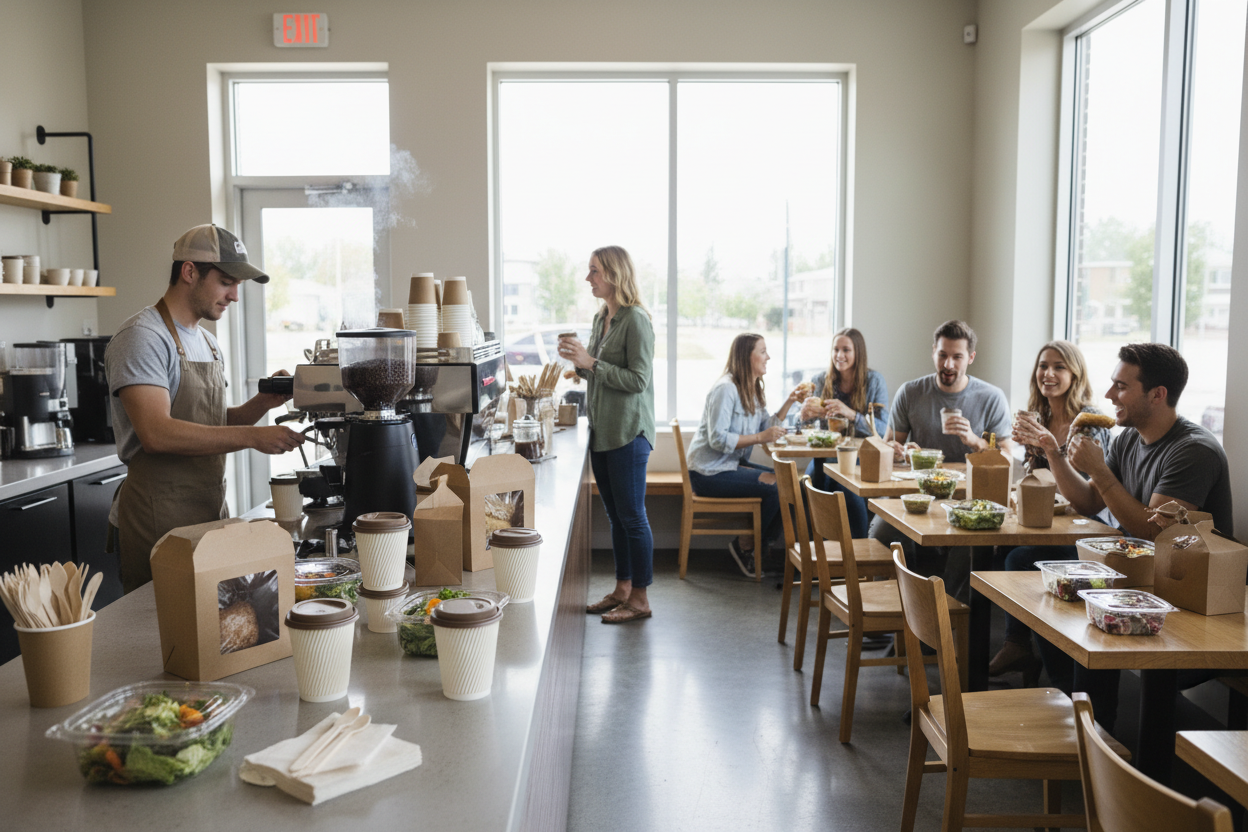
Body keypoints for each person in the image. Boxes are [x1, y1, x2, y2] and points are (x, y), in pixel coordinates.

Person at [1005, 343, 1232, 730]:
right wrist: (1053, 452)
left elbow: (1153, 530)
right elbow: (1089, 502)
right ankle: (1073, 702)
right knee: (1027, 562)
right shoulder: (1129, 437)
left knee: (1093, 619)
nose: (1108, 395)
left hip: (1184, 586)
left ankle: (1099, 735)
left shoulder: (1193, 450)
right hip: (1136, 571)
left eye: (1121, 387)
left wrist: (1101, 471)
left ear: (1157, 395)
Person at [106, 224, 306, 593]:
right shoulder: (143, 337)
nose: (234, 296)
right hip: (157, 519)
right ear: (189, 271)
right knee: (156, 635)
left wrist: (263, 403)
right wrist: (252, 437)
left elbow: (209, 423)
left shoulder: (208, 343)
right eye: (226, 281)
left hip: (208, 511)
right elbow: (157, 433)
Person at [988, 340, 1111, 682]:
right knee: (1008, 550)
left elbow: (1088, 496)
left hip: (1090, 528)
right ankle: (1022, 647)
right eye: (1043, 366)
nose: (1049, 374)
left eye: (1059, 367)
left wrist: (1048, 446)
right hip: (1049, 521)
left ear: (1075, 374)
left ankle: (1024, 649)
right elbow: (1036, 481)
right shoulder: (1038, 416)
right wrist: (1026, 453)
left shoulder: (1089, 423)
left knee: (1018, 559)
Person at [870, 320, 1013, 601]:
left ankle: (939, 615)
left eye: (957, 357)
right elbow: (887, 446)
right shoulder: (911, 392)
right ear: (933, 353)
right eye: (942, 355)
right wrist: (898, 451)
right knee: (882, 531)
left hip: (970, 500)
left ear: (970, 358)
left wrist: (975, 441)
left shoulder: (991, 397)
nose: (948, 364)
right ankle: (896, 611)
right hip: (915, 496)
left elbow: (1007, 457)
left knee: (971, 545)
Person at [558, 246, 657, 624]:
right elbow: (596, 372)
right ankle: (622, 589)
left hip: (629, 433)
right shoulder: (603, 319)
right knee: (616, 518)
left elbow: (638, 381)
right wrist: (579, 362)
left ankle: (641, 600)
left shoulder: (637, 321)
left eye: (594, 271)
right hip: (603, 431)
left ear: (614, 275)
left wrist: (591, 362)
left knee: (633, 518)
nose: (589, 279)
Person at [686, 333, 803, 577]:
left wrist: (790, 401)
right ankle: (749, 550)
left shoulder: (753, 388)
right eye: (762, 351)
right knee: (776, 487)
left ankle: (755, 546)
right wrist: (762, 437)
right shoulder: (726, 389)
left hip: (729, 465)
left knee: (791, 482)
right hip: (708, 472)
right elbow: (718, 439)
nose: (768, 357)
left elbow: (765, 426)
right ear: (746, 356)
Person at [799, 327, 889, 538]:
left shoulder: (874, 381)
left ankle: (857, 552)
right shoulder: (821, 380)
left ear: (858, 352)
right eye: (836, 349)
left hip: (860, 457)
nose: (840, 355)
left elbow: (884, 430)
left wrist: (850, 414)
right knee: (810, 486)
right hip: (825, 455)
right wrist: (804, 415)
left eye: (846, 350)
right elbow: (802, 429)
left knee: (846, 489)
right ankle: (817, 556)